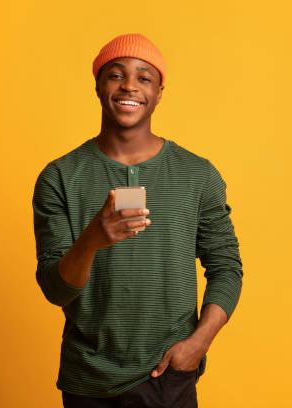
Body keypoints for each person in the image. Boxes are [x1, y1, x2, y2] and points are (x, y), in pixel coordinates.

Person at [32, 33, 243, 408]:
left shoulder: (198, 175)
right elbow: (55, 290)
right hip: (89, 379)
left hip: (169, 375)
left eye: (144, 77)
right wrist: (91, 240)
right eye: (116, 74)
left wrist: (198, 344)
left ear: (160, 92)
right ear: (98, 85)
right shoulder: (60, 176)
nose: (129, 85)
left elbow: (226, 267)